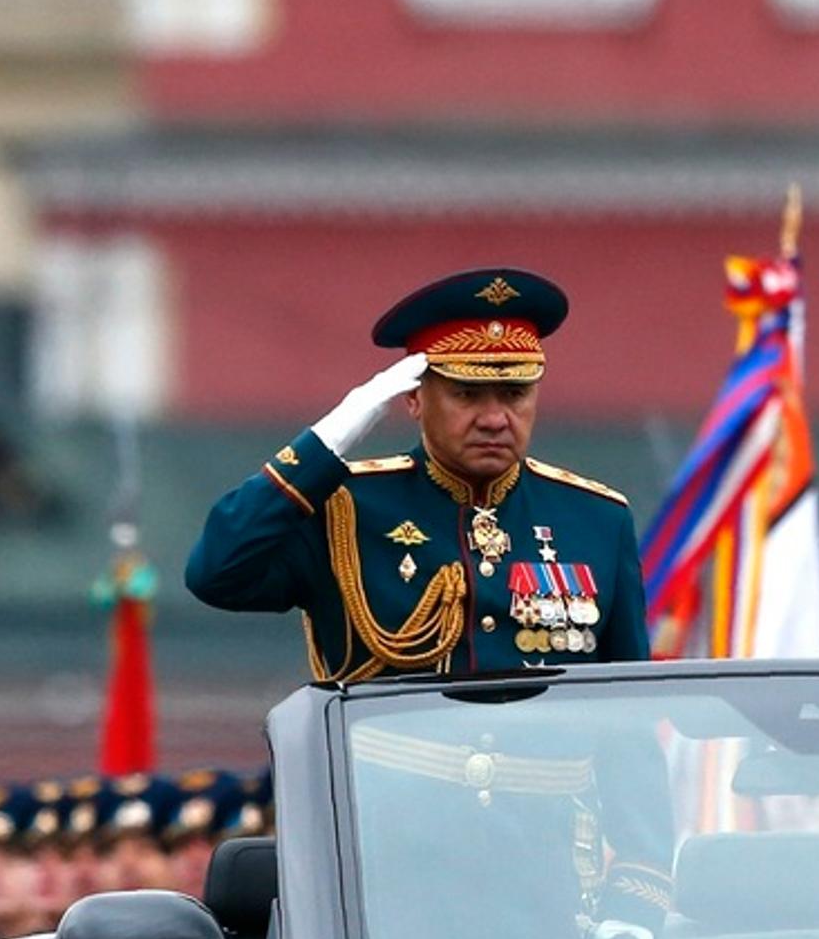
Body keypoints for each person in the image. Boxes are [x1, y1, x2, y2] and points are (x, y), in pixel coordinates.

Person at [185, 268, 649, 679]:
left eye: (514, 393)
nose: (494, 417)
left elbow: (628, 705)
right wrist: (328, 441)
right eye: (467, 394)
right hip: (390, 779)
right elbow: (216, 573)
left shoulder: (598, 520)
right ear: (413, 399)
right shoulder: (344, 509)